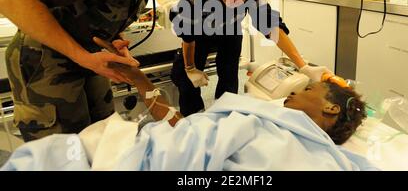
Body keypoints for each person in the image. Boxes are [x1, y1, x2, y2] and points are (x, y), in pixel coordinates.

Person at [0, 0, 214, 141]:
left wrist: (115, 41)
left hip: (87, 58)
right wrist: (82, 57)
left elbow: (93, 15)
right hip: (43, 60)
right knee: (65, 146)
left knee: (102, 131)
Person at [0, 76, 372, 171]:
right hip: (140, 144)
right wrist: (141, 82)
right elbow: (184, 129)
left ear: (331, 108)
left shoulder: (308, 153)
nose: (295, 91)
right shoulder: (263, 116)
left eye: (308, 88)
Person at [169, 0, 333, 116]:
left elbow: (270, 25)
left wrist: (304, 67)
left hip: (230, 32)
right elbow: (187, 33)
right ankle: (193, 119)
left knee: (230, 76)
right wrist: (190, 68)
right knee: (185, 80)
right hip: (199, 34)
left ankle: (224, 115)